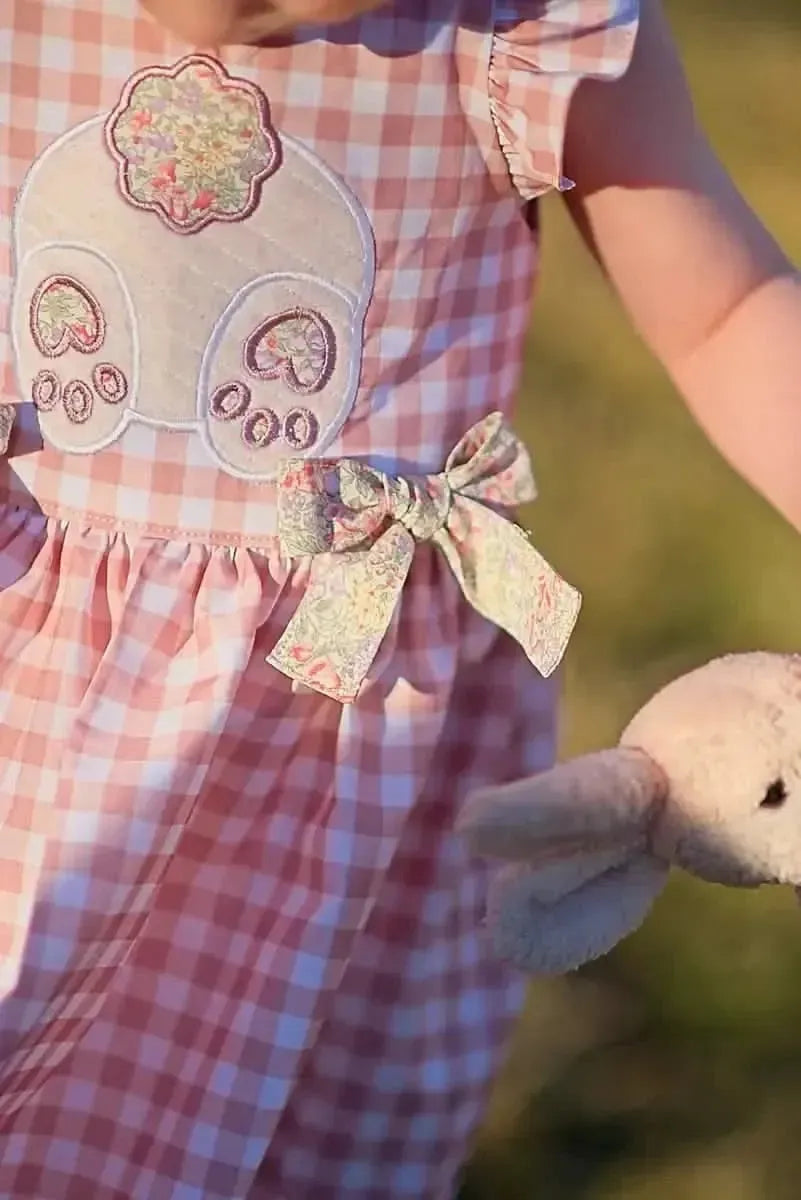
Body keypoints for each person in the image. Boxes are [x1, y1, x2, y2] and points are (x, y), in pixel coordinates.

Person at [0, 0, 798, 1196]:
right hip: (25, 673)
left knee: (254, 1130)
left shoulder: (529, 27)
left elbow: (725, 312)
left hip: (326, 749)